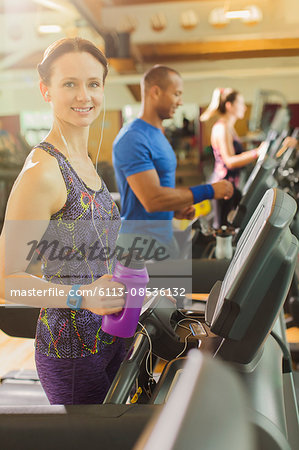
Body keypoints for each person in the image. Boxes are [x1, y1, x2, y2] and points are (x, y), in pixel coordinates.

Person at [0, 37, 127, 405]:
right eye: (69, 83)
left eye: (93, 83)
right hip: (71, 354)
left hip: (110, 337)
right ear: (46, 90)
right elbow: (6, 281)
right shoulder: (43, 171)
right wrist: (81, 296)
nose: (83, 95)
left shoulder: (83, 160)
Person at [113, 66, 233, 258]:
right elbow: (152, 200)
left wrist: (173, 209)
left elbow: (157, 190)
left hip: (162, 237)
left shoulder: (158, 133)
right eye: (176, 94)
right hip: (140, 246)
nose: (180, 101)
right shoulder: (133, 137)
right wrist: (209, 190)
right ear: (156, 92)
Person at [200, 87, 296, 228]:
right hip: (223, 186)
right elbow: (230, 161)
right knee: (221, 228)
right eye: (240, 103)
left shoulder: (229, 127)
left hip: (230, 186)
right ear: (229, 106)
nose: (244, 108)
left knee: (232, 224)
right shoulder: (222, 128)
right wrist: (256, 153)